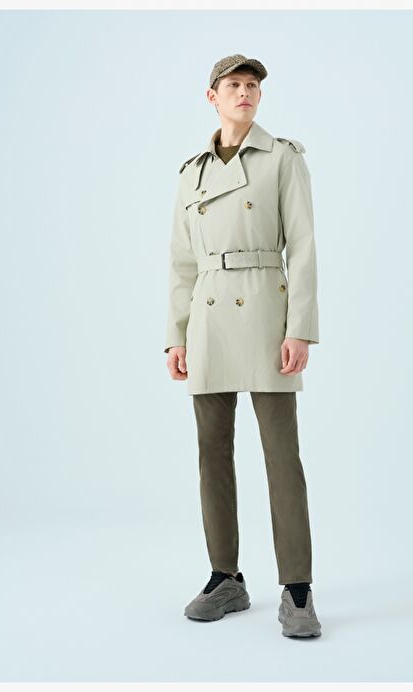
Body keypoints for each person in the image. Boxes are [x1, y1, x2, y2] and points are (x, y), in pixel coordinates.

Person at [164, 54, 321, 638]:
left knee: (282, 455)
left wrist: (299, 327)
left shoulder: (282, 157)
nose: (245, 92)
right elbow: (181, 261)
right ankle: (225, 577)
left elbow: (302, 246)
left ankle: (297, 588)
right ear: (213, 96)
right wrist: (175, 336)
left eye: (252, 85)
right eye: (234, 84)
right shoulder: (192, 172)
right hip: (207, 318)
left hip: (265, 313)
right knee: (213, 455)